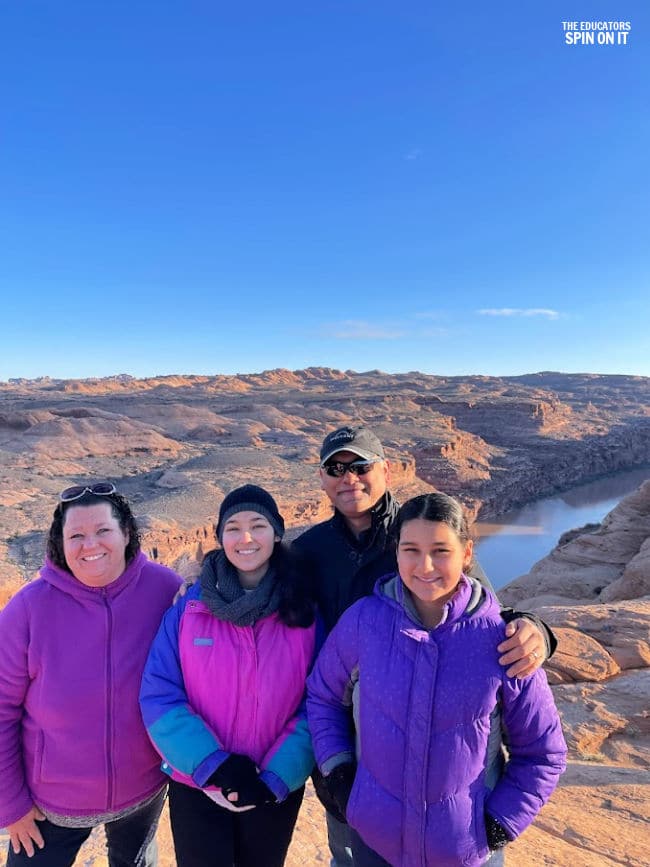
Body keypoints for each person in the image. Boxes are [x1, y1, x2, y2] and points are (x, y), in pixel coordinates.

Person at [293, 425, 556, 866]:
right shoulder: (308, 551)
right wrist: (335, 772)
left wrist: (538, 633)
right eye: (335, 468)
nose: (348, 477)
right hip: (355, 771)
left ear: (387, 471)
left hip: (451, 804)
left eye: (360, 466)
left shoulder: (426, 525)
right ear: (322, 478)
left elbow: (488, 618)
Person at [0, 482, 182, 867]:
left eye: (103, 531)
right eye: (76, 535)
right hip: (50, 805)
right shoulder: (27, 610)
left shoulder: (164, 589)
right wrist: (10, 805)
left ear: (126, 533)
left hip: (143, 791)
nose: (90, 545)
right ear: (59, 543)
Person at [140, 485, 318, 867]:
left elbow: (317, 703)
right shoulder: (190, 610)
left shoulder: (303, 613)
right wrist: (213, 764)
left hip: (273, 788)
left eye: (258, 525)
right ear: (220, 537)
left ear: (278, 531)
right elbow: (159, 694)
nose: (246, 538)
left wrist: (276, 777)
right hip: (198, 785)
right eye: (233, 527)